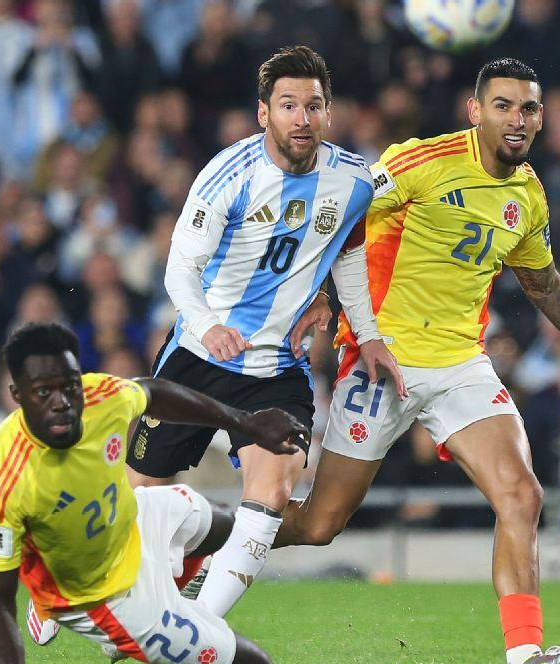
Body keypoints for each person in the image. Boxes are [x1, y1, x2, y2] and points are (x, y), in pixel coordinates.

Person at [277, 58, 560, 664]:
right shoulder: (420, 161)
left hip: (461, 362)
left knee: (522, 495)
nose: (517, 119)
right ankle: (208, 549)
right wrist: (323, 294)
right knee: (320, 523)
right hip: (382, 357)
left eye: (529, 109)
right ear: (475, 110)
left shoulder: (528, 195)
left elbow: (541, 281)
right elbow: (339, 212)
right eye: (505, 106)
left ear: (542, 119)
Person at [122, 45, 402, 620]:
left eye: (313, 106)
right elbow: (179, 268)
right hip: (199, 358)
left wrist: (364, 331)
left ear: (329, 113)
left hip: (276, 370)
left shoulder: (352, 180)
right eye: (288, 105)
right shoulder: (228, 174)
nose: (302, 118)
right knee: (136, 505)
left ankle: (201, 629)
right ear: (263, 113)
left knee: (271, 496)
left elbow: (347, 251)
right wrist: (210, 326)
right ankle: (60, 583)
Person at [0, 322, 311, 664]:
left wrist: (245, 423)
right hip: (104, 597)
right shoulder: (3, 479)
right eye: (44, 392)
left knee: (219, 524)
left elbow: (154, 392)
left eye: (70, 386)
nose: (62, 401)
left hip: (131, 522)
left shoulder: (99, 396)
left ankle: (179, 599)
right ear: (17, 396)